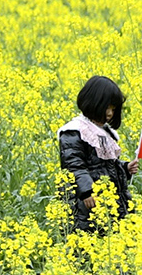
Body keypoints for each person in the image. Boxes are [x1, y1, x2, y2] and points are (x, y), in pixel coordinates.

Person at [58, 75, 137, 231]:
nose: (110, 114)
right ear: (93, 103)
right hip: (87, 202)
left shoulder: (105, 133)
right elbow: (74, 166)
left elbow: (107, 166)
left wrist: (125, 168)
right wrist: (87, 191)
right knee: (89, 243)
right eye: (107, 107)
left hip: (110, 200)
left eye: (113, 109)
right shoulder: (75, 131)